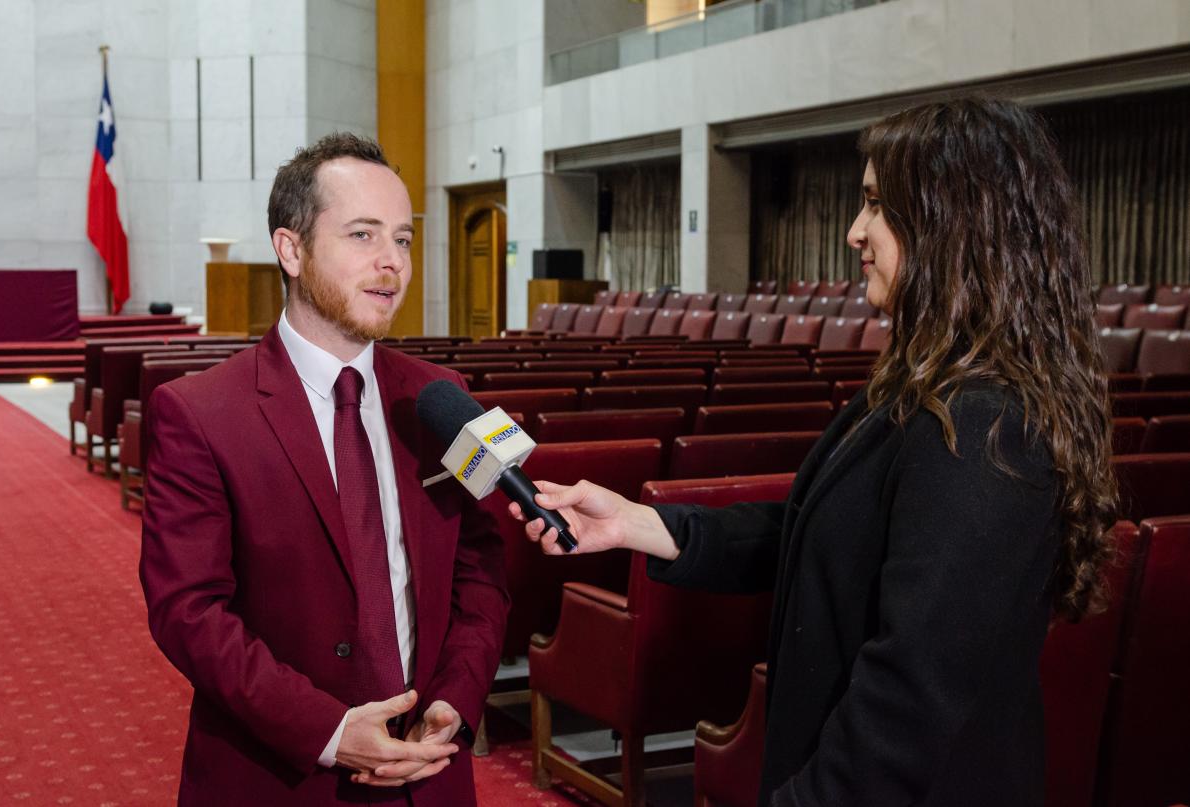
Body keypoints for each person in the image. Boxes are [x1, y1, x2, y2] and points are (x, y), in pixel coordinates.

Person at [512, 98, 1117, 806]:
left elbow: (908, 702)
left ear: (955, 224)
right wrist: (639, 525)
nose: (855, 231)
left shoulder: (984, 420)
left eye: (876, 206)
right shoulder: (927, 383)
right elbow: (823, 532)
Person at [141, 133, 509, 806]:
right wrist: (332, 730)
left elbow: (481, 569)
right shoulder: (199, 412)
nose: (390, 264)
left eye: (402, 239)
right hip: (279, 775)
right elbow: (188, 612)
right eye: (362, 235)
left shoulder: (439, 398)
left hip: (429, 772)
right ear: (291, 248)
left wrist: (457, 695)